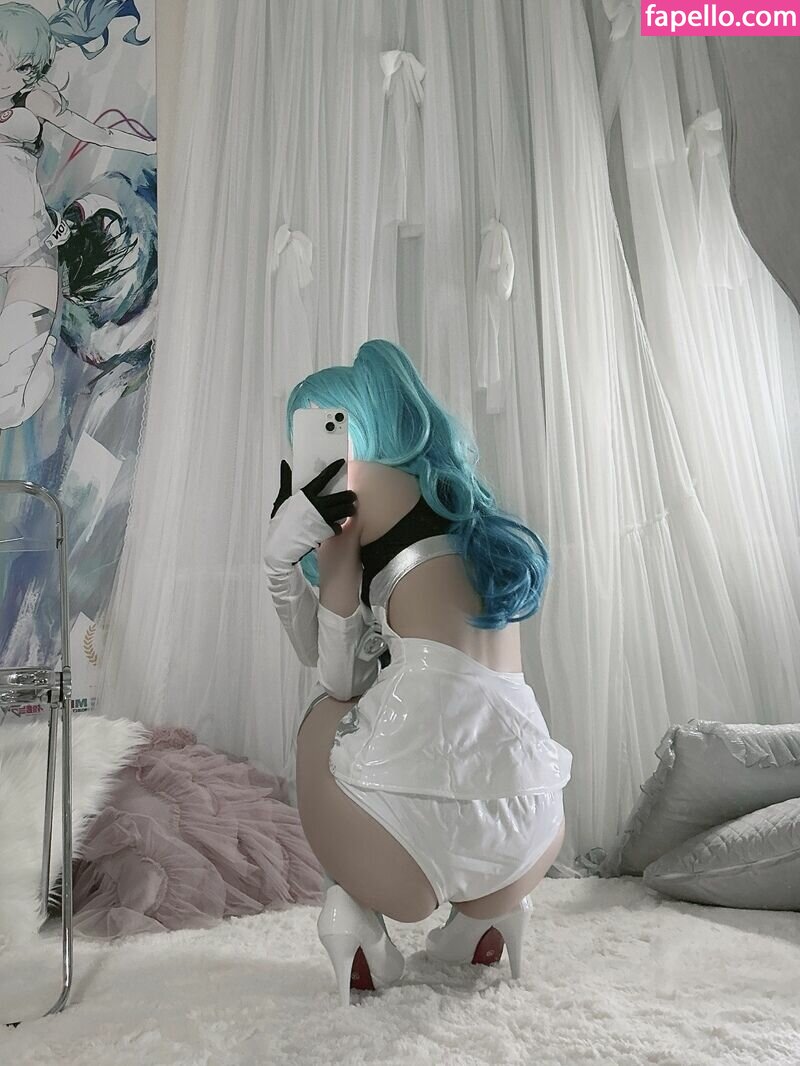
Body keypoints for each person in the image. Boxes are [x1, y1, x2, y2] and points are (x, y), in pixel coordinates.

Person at [263, 339, 572, 1007]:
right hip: (532, 832)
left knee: (325, 716)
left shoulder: (353, 487)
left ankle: (358, 919)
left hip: (406, 858)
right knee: (433, 701)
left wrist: (278, 565)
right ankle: (484, 919)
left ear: (353, 427)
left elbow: (338, 673)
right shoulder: (470, 503)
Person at [0, 0, 155, 431]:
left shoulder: (34, 101)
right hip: (23, 242)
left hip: (29, 248)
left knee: (10, 395)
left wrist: (150, 147)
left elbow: (95, 132)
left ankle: (37, 363)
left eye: (6, 61)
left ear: (28, 71)